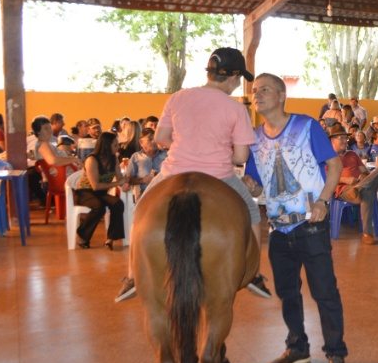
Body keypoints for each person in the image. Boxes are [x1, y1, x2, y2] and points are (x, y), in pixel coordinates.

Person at [115, 47, 270, 302]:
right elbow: (241, 157)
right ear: (233, 78)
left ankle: (132, 276)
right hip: (219, 175)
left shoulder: (178, 97)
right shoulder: (236, 109)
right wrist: (218, 153)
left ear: (210, 73)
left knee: (140, 213)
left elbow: (161, 138)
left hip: (173, 171)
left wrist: (188, 144)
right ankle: (253, 273)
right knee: (252, 213)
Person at [242, 73, 348, 363]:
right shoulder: (254, 138)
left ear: (281, 95)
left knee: (325, 291)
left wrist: (324, 202)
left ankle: (336, 354)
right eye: (253, 90)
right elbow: (259, 190)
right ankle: (298, 347)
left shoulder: (306, 126)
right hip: (279, 231)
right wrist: (250, 185)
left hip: (310, 225)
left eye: (264, 89)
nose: (256, 94)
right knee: (287, 293)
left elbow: (335, 165)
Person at [327, 123, 378, 244]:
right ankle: (367, 233)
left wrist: (363, 177)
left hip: (359, 186)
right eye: (341, 138)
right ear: (332, 140)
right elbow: (327, 178)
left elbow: (366, 173)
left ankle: (361, 187)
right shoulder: (329, 157)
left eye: (346, 138)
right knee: (369, 190)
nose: (345, 140)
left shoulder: (352, 154)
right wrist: (346, 180)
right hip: (344, 190)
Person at [74, 131, 128, 250]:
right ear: (106, 146)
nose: (118, 147)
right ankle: (81, 235)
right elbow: (95, 186)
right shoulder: (92, 160)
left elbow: (119, 176)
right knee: (98, 207)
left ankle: (111, 238)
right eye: (115, 145)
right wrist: (118, 183)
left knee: (117, 203)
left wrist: (125, 181)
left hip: (101, 193)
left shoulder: (114, 158)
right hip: (85, 192)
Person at [127, 127, 167, 200]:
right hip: (146, 193)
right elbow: (129, 178)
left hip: (165, 191)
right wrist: (142, 180)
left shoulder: (166, 155)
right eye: (150, 139)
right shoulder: (136, 157)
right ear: (141, 142)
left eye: (155, 139)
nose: (153, 142)